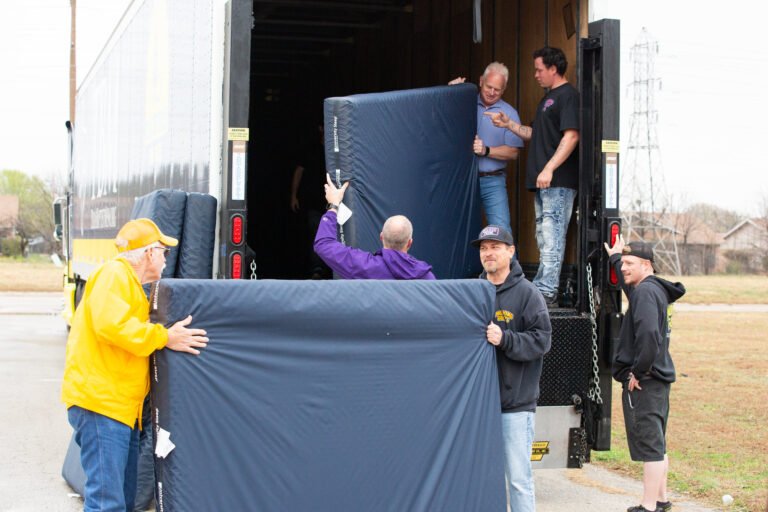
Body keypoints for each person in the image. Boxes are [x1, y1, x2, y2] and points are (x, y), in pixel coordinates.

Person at [61, 218, 209, 511]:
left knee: (122, 501)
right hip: (101, 406)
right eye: (163, 251)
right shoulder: (114, 274)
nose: (167, 258)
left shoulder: (130, 286)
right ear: (148, 253)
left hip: (117, 409)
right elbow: (111, 325)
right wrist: (164, 336)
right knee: (107, 503)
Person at [486, 47, 580, 307]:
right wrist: (508, 125)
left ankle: (547, 291)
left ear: (553, 68)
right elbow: (533, 133)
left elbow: (572, 135)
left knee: (552, 236)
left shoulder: (568, 96)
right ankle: (543, 286)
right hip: (543, 184)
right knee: (543, 236)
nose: (536, 74)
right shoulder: (547, 99)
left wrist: (549, 168)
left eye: (539, 69)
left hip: (558, 182)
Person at [471, 224, 551, 512]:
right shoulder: (474, 291)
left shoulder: (528, 294)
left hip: (515, 406)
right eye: (483, 248)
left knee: (518, 480)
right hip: (480, 407)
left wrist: (505, 339)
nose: (488, 253)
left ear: (511, 251)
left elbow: (542, 341)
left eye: (494, 247)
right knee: (480, 478)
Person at [604, 235, 686, 512]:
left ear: (647, 265)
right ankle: (661, 500)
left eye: (629, 263)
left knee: (650, 444)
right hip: (658, 379)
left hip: (646, 381)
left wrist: (638, 371)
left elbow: (649, 335)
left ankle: (648, 506)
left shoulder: (646, 293)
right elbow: (635, 299)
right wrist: (615, 258)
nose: (624, 268)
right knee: (658, 443)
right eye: (623, 263)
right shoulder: (652, 290)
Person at [449, 62, 524, 236]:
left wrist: (487, 150)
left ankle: (509, 265)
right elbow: (440, 118)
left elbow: (514, 152)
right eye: (489, 86)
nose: (491, 92)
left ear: (504, 89)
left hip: (492, 180)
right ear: (481, 81)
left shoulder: (509, 113)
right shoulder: (463, 103)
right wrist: (452, 93)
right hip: (461, 178)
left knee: (501, 229)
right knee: (454, 228)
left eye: (497, 89)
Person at [314, 175, 436, 280]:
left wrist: (334, 205)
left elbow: (324, 245)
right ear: (409, 243)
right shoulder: (426, 276)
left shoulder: (365, 266)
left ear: (381, 237)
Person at [290, 123, 331, 279]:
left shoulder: (337, 150)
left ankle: (334, 270)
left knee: (335, 236)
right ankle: (317, 270)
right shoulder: (311, 149)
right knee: (316, 235)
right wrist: (293, 196)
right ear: (320, 129)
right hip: (313, 202)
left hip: (334, 204)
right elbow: (299, 171)